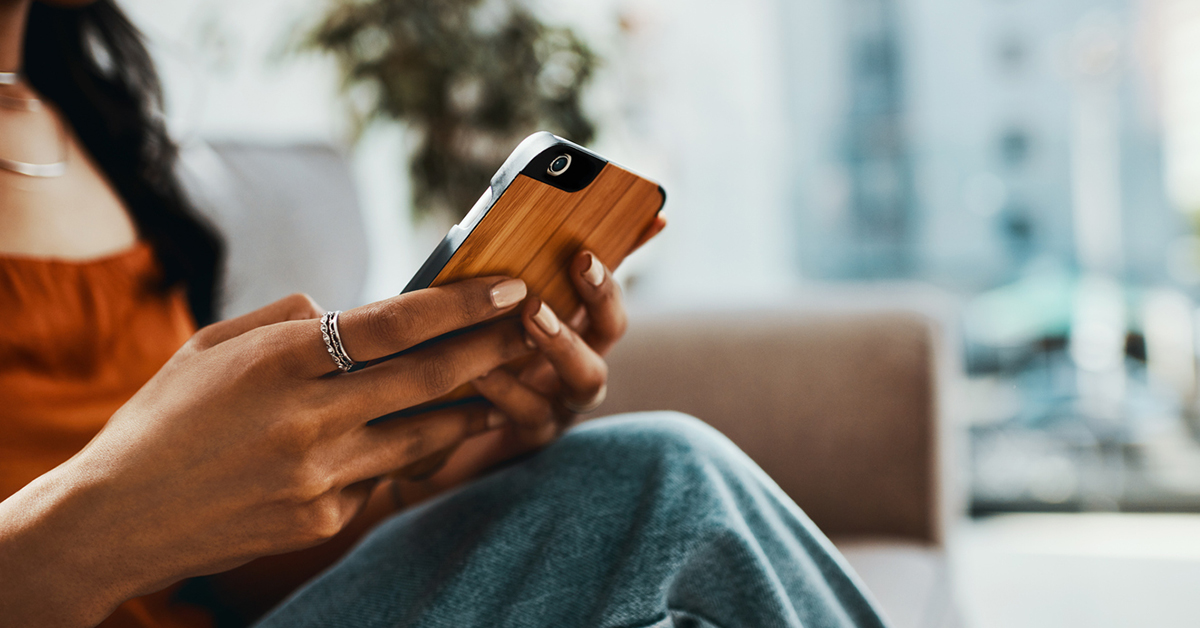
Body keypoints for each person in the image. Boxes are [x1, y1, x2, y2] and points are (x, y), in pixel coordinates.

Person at [0, 1, 890, 627]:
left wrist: (428, 463)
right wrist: (97, 524)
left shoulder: (86, 127)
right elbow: (119, 534)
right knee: (661, 480)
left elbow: (208, 576)